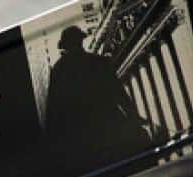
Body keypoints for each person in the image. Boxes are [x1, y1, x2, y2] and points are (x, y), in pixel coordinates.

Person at [45, 25, 151, 162]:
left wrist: (54, 141)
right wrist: (134, 116)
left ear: (65, 46)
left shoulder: (59, 70)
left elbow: (54, 108)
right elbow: (119, 93)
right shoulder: (99, 61)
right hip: (110, 124)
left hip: (82, 135)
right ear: (80, 41)